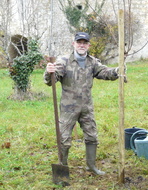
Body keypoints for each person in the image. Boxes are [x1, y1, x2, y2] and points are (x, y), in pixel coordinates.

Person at [44, 32, 120, 175]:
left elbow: (104, 72)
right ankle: (63, 167)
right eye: (79, 42)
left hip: (86, 107)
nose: (82, 45)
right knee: (64, 140)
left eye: (85, 43)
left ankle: (91, 166)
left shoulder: (92, 62)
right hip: (68, 108)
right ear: (74, 44)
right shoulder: (63, 61)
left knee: (92, 137)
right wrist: (49, 72)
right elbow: (52, 81)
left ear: (88, 45)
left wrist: (117, 71)